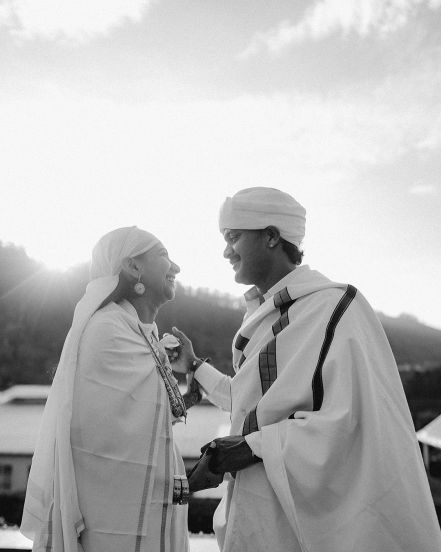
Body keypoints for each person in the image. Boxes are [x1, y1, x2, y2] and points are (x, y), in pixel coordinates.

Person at [172, 187, 441, 552]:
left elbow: (353, 425)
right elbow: (249, 406)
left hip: (309, 523)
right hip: (256, 512)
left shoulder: (336, 308)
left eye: (233, 237)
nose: (225, 251)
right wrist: (195, 366)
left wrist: (248, 447)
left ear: (270, 236)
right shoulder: (265, 316)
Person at [21, 226, 200, 552]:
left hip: (153, 512)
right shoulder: (106, 328)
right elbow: (114, 430)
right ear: (133, 267)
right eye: (163, 256)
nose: (176, 267)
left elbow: (148, 415)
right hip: (112, 519)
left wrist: (193, 384)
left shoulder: (143, 333)